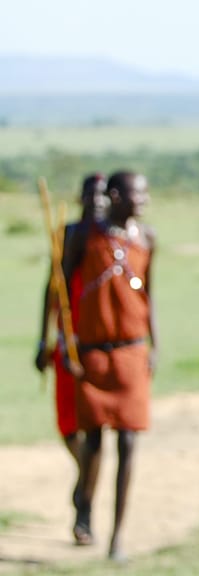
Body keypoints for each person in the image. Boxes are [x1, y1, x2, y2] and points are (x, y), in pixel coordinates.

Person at [61, 170, 157, 562]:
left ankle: (118, 536)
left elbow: (152, 294)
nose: (143, 201)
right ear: (116, 196)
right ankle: (85, 506)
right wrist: (63, 344)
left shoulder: (147, 238)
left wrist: (156, 345)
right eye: (137, 194)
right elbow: (62, 291)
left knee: (130, 441)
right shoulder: (83, 236)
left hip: (132, 352)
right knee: (94, 442)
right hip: (92, 353)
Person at [34, 172, 107, 519]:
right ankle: (86, 476)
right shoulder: (67, 236)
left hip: (102, 349)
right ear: (80, 199)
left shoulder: (114, 242)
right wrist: (42, 339)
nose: (97, 201)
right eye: (90, 195)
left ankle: (85, 508)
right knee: (67, 425)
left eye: (103, 195)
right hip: (69, 346)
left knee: (94, 428)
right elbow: (51, 291)